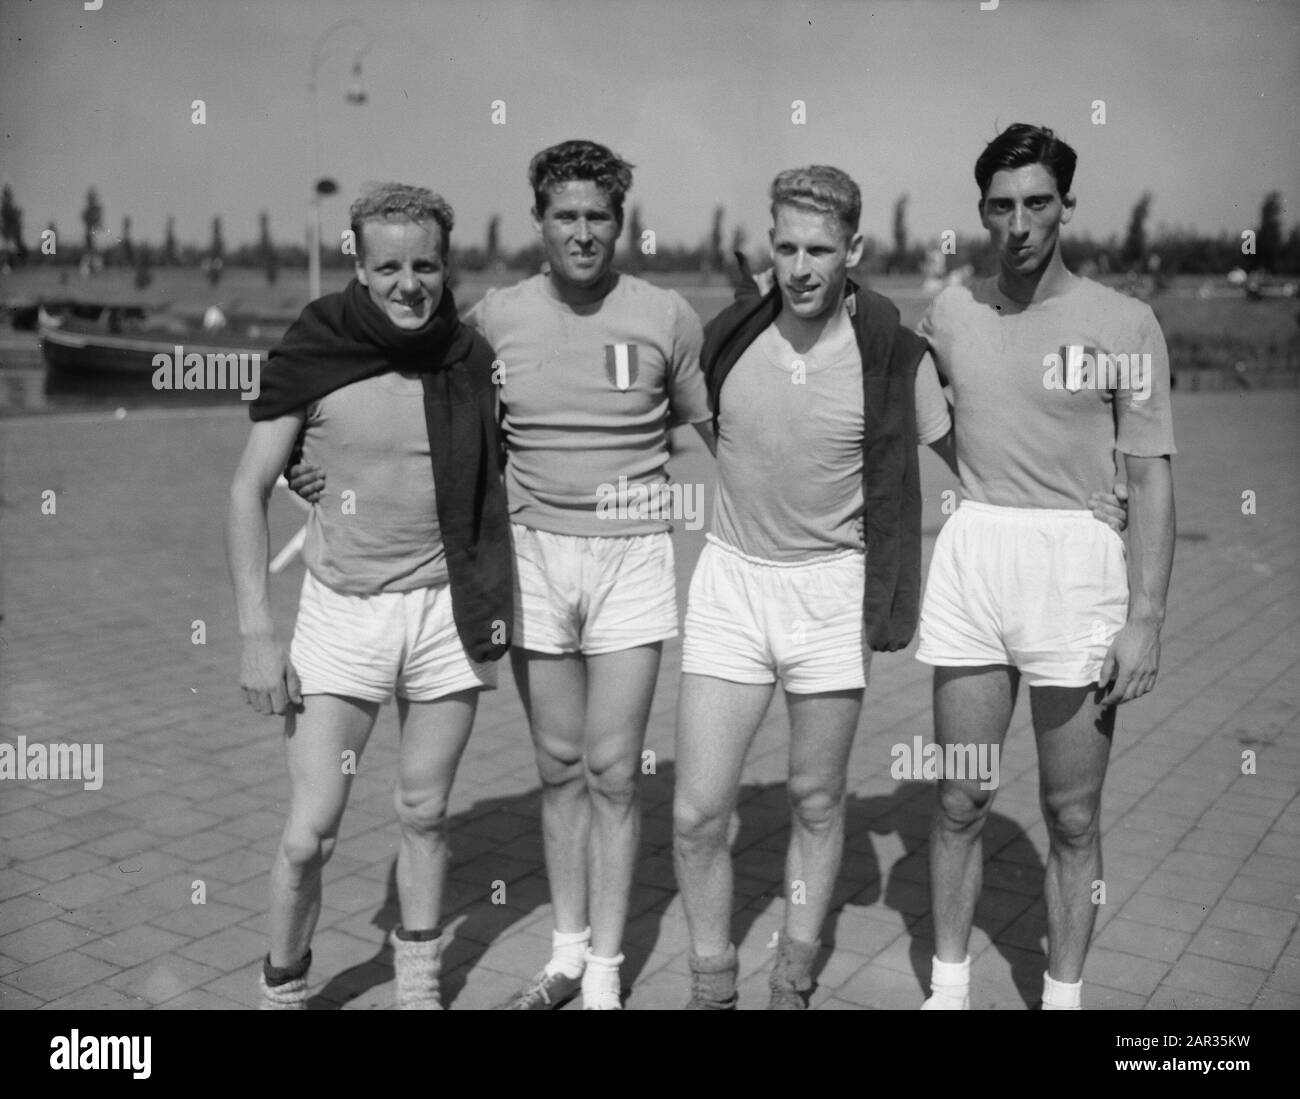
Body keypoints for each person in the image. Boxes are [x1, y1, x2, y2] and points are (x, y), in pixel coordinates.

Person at [290, 141, 715, 1009]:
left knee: (612, 769)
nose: (584, 231)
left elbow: (720, 436)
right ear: (540, 223)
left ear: (620, 220)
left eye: (600, 215)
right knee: (559, 764)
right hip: (532, 554)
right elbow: (398, 379)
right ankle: (564, 957)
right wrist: (310, 458)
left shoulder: (668, 316)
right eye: (567, 215)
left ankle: (604, 976)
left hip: (632, 555)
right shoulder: (493, 319)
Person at [671, 165, 957, 1010]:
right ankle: (710, 983)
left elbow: (978, 459)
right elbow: (646, 421)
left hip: (831, 591)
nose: (800, 268)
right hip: (731, 584)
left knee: (817, 798)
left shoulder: (895, 359)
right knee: (695, 812)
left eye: (820, 250)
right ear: (771, 245)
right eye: (787, 246)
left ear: (854, 250)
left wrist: (1097, 489)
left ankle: (793, 974)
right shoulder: (727, 338)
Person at [227, 183, 512, 1010]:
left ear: (446, 263)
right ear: (358, 260)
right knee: (310, 831)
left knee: (424, 811)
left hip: (444, 615)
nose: (409, 284)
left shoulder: (469, 355)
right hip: (341, 617)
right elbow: (246, 488)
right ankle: (283, 987)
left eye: (425, 265)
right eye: (388, 266)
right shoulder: (317, 344)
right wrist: (255, 633)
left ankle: (417, 990)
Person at [915, 124, 1175, 1010]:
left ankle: (1061, 999)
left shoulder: (1124, 321)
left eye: (1036, 203)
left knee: (1070, 815)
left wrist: (1146, 615)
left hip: (1078, 568)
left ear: (1066, 204)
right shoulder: (951, 310)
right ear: (981, 211)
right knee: (959, 795)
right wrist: (988, 479)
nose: (1018, 222)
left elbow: (1148, 471)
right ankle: (947, 992)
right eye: (1000, 206)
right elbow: (922, 403)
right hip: (978, 555)